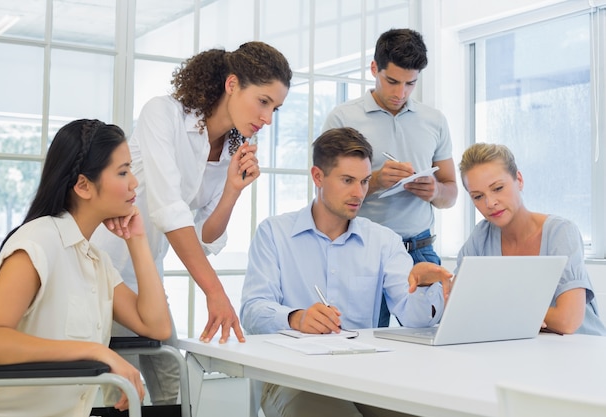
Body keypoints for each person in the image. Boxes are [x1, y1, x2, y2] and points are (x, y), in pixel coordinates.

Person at [91, 41, 292, 404]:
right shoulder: (162, 114)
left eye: (275, 108)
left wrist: (233, 189)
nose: (268, 118)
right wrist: (215, 292)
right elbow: (169, 210)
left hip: (147, 274)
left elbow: (204, 237)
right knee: (116, 395)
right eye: (263, 101)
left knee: (174, 390)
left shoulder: (228, 152)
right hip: (100, 270)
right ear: (232, 84)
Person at [240, 127, 453, 417]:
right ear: (318, 177)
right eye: (347, 181)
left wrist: (428, 286)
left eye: (365, 181)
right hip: (292, 378)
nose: (359, 193)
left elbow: (412, 316)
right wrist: (296, 317)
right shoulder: (274, 233)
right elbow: (252, 310)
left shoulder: (383, 240)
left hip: (364, 375)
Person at [0, 119, 172, 417]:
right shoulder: (38, 242)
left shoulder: (95, 259)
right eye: (123, 172)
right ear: (83, 185)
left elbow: (156, 326)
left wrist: (137, 240)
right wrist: (96, 351)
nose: (134, 182)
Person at [322, 28, 457, 327]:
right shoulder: (343, 118)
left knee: (431, 343)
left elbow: (451, 194)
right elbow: (326, 193)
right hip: (362, 249)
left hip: (420, 249)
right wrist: (376, 180)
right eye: (392, 81)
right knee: (361, 339)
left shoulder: (434, 120)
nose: (400, 93)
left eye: (411, 84)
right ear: (374, 69)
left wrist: (434, 190)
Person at [458, 142, 606, 336]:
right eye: (477, 196)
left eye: (498, 188)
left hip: (581, 350)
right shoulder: (481, 237)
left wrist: (497, 308)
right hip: (529, 351)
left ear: (519, 180)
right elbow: (459, 306)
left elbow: (567, 321)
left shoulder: (560, 233)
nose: (490, 203)